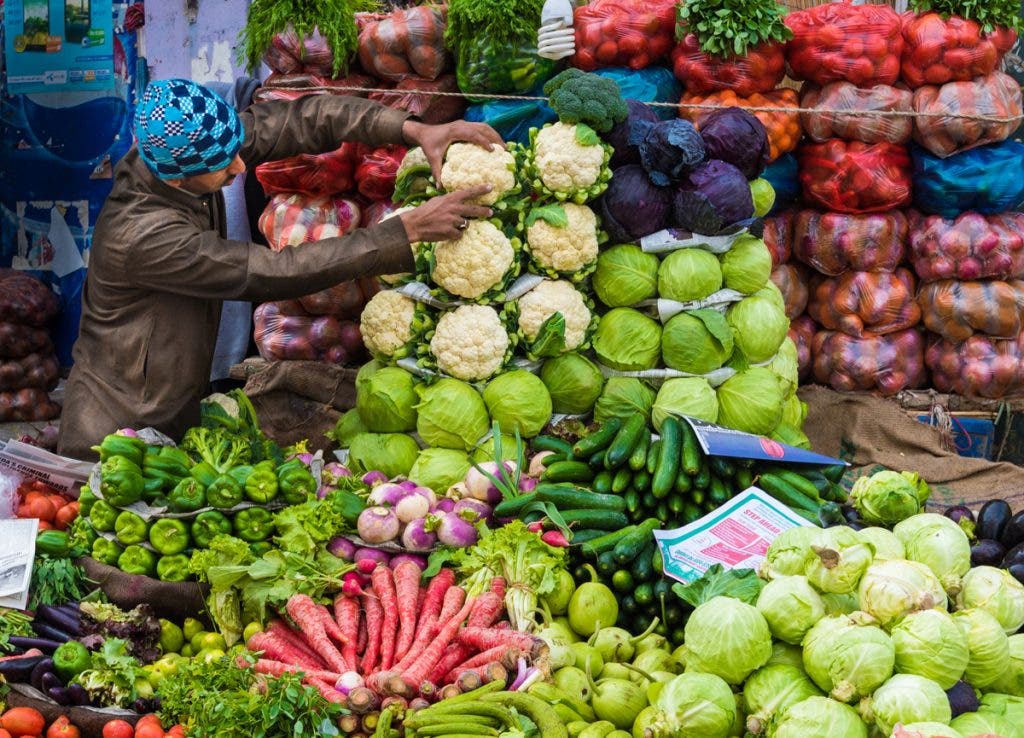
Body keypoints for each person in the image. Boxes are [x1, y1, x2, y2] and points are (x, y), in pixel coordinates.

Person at [58, 78, 501, 461]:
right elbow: (274, 271)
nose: (239, 166)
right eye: (223, 167)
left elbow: (305, 118)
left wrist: (412, 129)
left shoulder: (192, 147)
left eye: (236, 151)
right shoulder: (143, 237)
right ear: (176, 179)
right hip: (116, 430)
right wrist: (399, 233)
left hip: (168, 407)